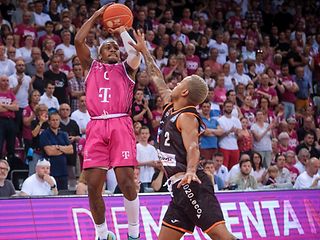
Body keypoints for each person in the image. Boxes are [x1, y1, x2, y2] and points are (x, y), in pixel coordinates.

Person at [130, 29, 236, 240]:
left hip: (191, 183)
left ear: (185, 92)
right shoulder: (171, 105)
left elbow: (193, 147)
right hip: (178, 189)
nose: (175, 85)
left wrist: (190, 170)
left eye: (180, 84)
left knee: (221, 236)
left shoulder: (187, 117)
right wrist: (144, 52)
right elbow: (156, 77)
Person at [74, 4, 142, 240]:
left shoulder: (127, 69)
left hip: (120, 124)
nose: (113, 49)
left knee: (126, 182)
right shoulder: (91, 67)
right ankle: (102, 234)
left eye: (115, 47)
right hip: (96, 125)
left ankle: (134, 234)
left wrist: (122, 30)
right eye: (108, 47)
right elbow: (79, 41)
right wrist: (95, 16)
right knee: (93, 186)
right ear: (100, 54)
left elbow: (135, 54)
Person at [39, 111, 73, 190]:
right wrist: (64, 149)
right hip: (50, 171)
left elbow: (71, 150)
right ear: (49, 122)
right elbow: (49, 152)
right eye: (53, 120)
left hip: (63, 171)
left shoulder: (64, 134)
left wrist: (58, 147)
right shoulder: (45, 134)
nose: (55, 122)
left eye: (57, 120)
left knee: (63, 195)